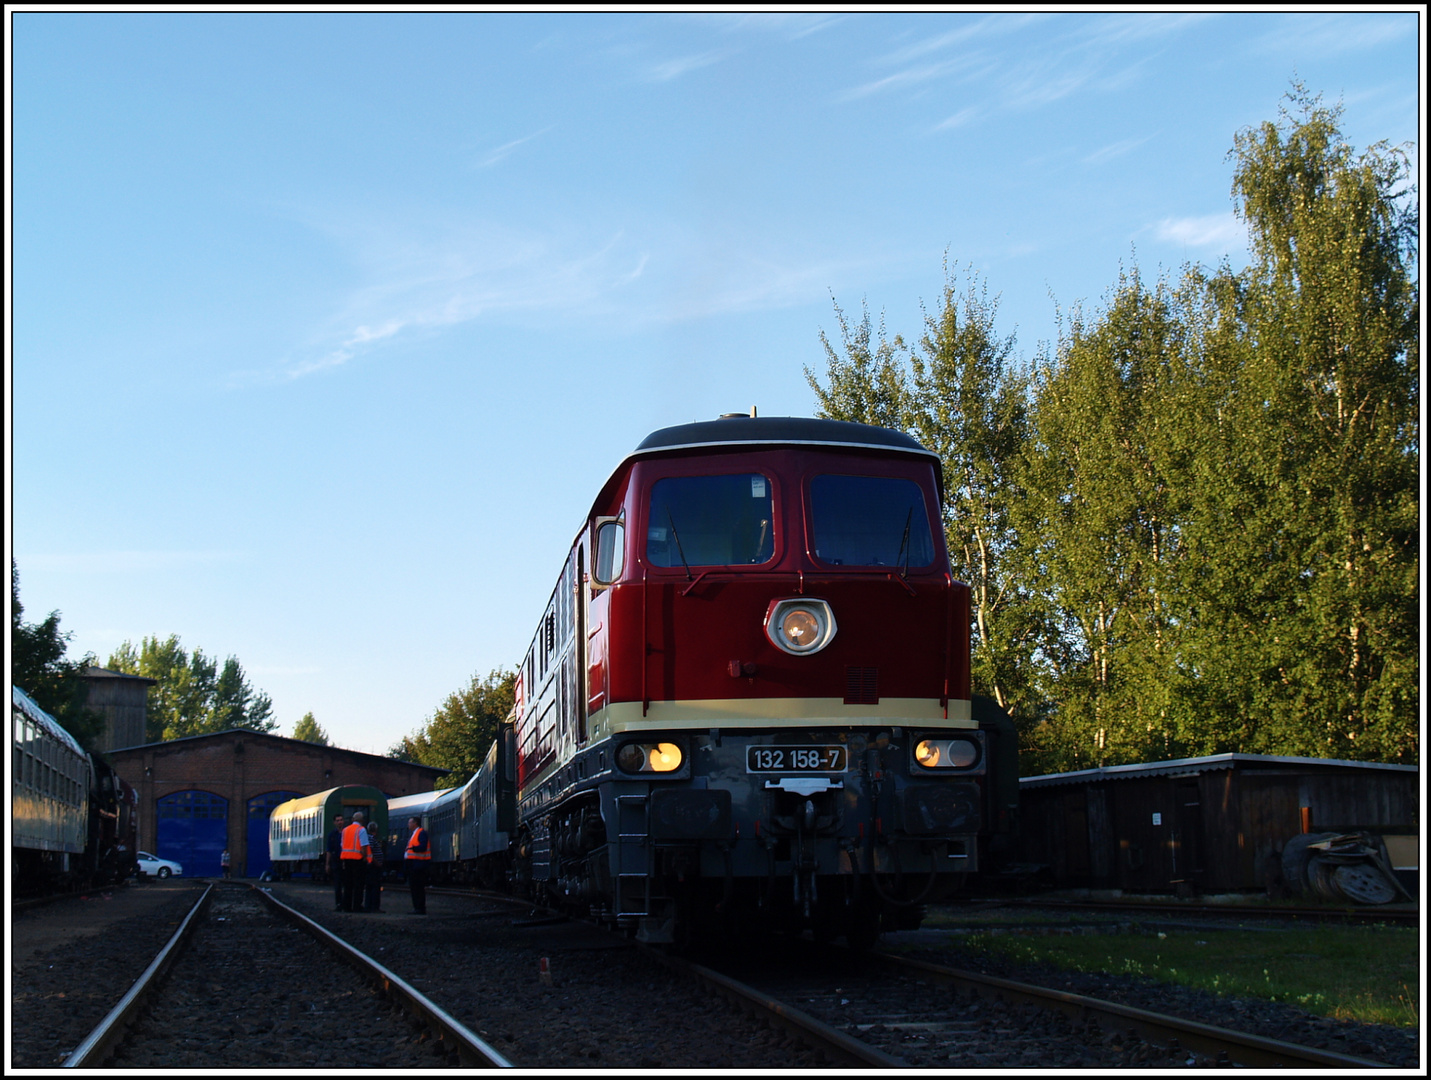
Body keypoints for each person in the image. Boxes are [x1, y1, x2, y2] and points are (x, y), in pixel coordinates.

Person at [339, 810, 371, 913]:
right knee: (358, 884)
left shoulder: (345, 830)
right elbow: (364, 845)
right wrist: (365, 857)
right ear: (362, 820)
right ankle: (357, 906)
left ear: (353, 819)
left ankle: (346, 906)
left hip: (346, 859)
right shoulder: (361, 830)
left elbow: (342, 845)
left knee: (348, 884)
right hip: (358, 860)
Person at [404, 816, 430, 915]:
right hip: (414, 864)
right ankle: (417, 907)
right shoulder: (415, 834)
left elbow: (422, 847)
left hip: (418, 865)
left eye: (410, 822)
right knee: (415, 888)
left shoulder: (421, 833)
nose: (408, 825)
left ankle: (419, 908)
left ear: (415, 823)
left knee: (417, 888)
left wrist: (413, 848)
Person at [364, 817, 386, 913]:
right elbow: (370, 852)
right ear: (375, 830)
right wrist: (377, 863)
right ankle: (374, 907)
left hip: (371, 866)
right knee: (375, 887)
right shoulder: (371, 839)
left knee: (370, 887)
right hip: (373, 867)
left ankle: (368, 906)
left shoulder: (368, 838)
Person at [327, 813, 347, 911]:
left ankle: (346, 903)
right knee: (338, 884)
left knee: (347, 884)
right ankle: (339, 904)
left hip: (347, 861)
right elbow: (329, 850)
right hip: (336, 862)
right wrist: (327, 864)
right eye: (338, 820)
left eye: (341, 820)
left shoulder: (347, 833)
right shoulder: (331, 835)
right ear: (334, 822)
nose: (340, 822)